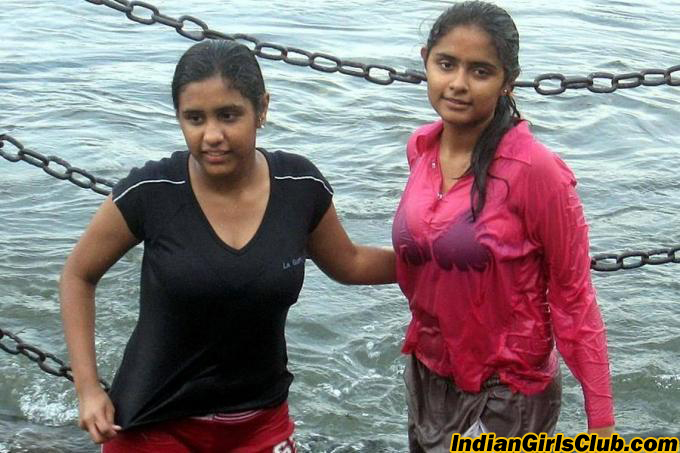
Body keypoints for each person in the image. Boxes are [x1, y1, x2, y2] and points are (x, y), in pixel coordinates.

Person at [59, 39, 395, 452]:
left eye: (229, 115)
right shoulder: (152, 191)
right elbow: (78, 275)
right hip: (155, 424)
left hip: (261, 424)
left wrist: (437, 261)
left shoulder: (300, 187)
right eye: (194, 118)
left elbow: (351, 263)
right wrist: (88, 390)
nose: (211, 135)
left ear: (262, 109)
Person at [391, 1, 615, 449]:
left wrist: (602, 425)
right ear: (425, 61)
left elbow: (574, 298)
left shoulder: (537, 173)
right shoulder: (421, 149)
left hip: (509, 391)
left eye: (480, 71)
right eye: (446, 64)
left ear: (507, 80)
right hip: (430, 375)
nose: (457, 84)